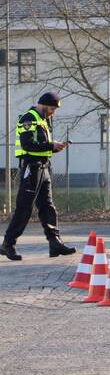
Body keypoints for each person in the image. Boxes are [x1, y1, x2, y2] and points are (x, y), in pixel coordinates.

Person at [1, 92, 75, 260]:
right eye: (52, 109)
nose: (53, 113)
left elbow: (42, 146)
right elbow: (28, 145)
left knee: (48, 206)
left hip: (44, 167)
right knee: (24, 208)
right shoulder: (28, 118)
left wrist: (56, 147)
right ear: (43, 104)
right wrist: (51, 145)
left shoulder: (43, 120)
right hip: (31, 168)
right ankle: (8, 244)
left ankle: (55, 243)